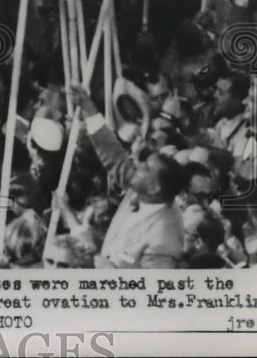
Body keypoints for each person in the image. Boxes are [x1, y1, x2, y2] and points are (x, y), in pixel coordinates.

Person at [68, 84, 185, 268]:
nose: (137, 164)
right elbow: (113, 156)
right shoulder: (141, 190)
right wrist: (89, 108)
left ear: (155, 187)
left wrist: (108, 269)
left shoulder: (164, 240)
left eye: (146, 168)